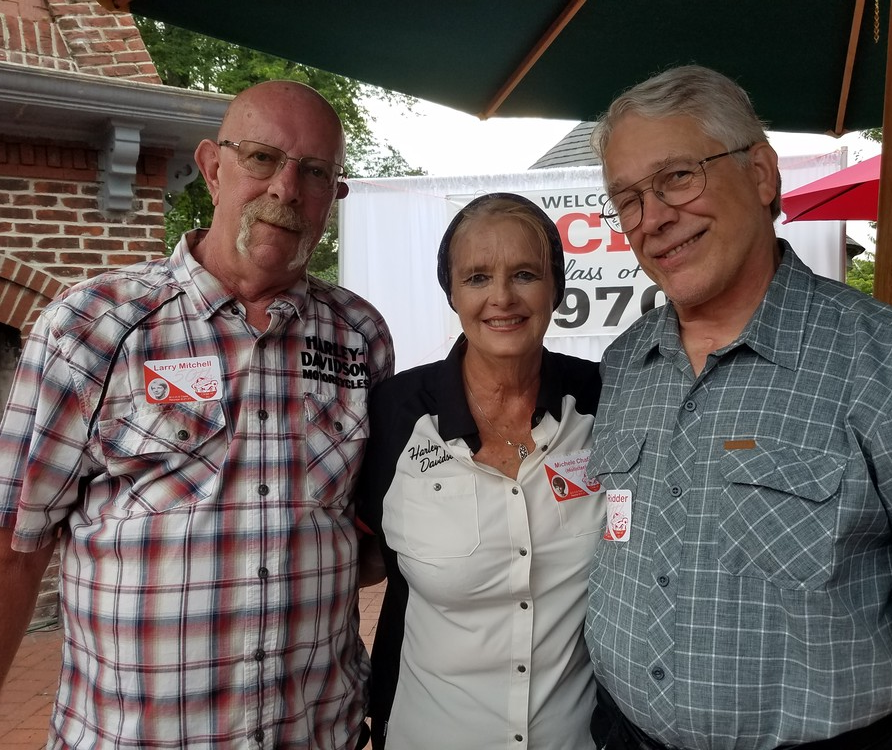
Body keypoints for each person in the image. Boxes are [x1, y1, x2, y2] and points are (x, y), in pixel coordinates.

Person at [585, 65, 892, 750]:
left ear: (760, 173)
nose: (652, 218)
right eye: (627, 199)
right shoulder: (626, 363)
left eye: (677, 177)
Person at [0, 80, 394, 749]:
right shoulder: (93, 324)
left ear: (334, 194)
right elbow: (14, 545)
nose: (285, 189)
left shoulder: (359, 336)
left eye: (315, 172)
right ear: (213, 167)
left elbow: (365, 534)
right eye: (263, 158)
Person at [355, 193, 605, 749]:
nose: (502, 297)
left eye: (525, 274)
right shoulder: (395, 413)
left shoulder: (603, 400)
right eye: (476, 277)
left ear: (557, 287)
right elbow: (354, 557)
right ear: (451, 292)